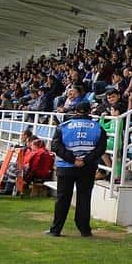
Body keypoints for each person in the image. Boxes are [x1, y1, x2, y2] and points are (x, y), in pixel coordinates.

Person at [47, 101, 107, 237]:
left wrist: (72, 160)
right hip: (87, 168)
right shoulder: (98, 127)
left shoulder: (63, 126)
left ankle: (56, 230)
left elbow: (56, 147)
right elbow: (101, 149)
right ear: (89, 111)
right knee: (84, 198)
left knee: (62, 199)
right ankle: (85, 230)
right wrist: (85, 160)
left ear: (75, 111)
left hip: (65, 167)